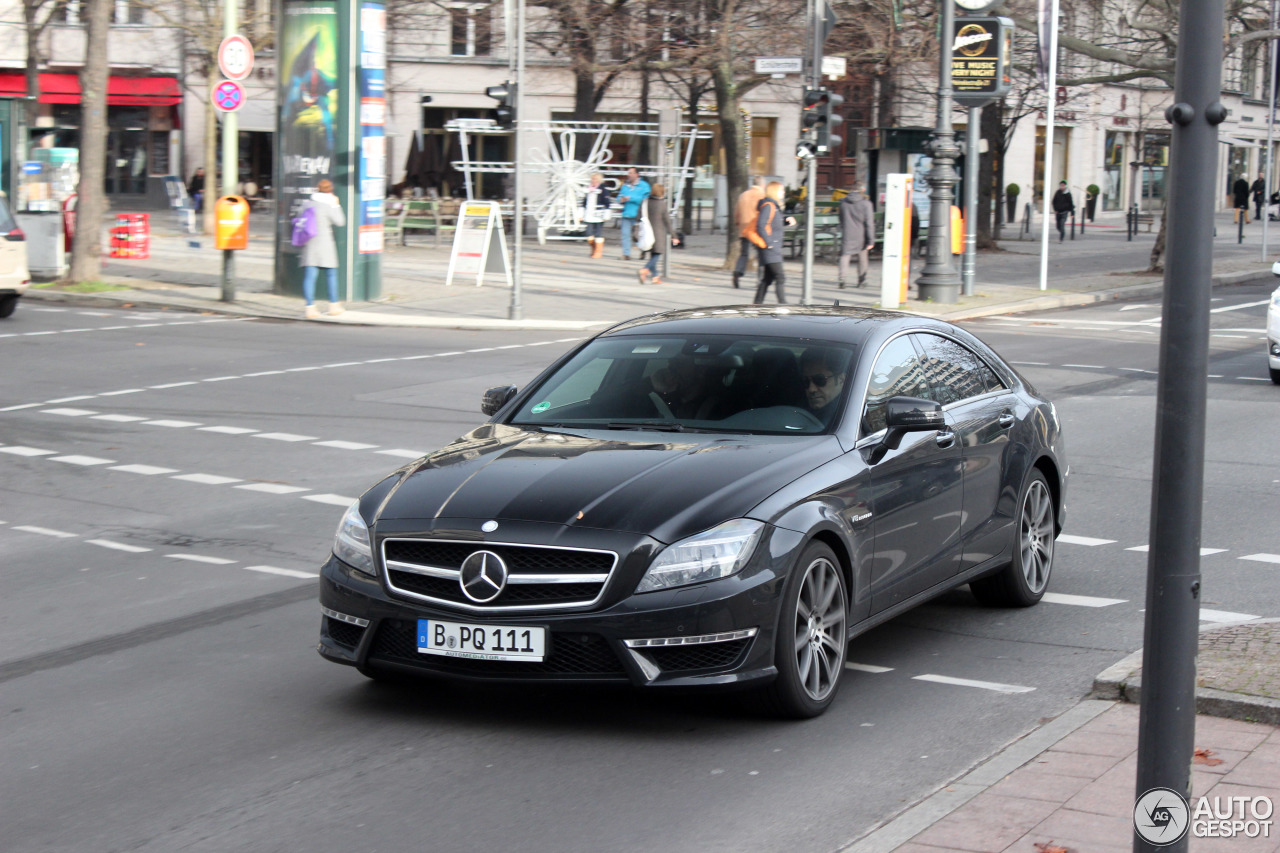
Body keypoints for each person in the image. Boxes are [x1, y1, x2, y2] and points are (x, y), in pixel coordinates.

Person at [299, 178, 346, 319]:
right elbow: (340, 221)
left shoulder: (306, 205)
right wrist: (336, 205)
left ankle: (310, 308)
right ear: (330, 191)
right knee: (331, 275)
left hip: (310, 244)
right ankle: (333, 305)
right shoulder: (328, 205)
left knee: (310, 277)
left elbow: (298, 218)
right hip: (325, 244)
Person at [751, 181, 796, 305]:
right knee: (780, 277)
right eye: (781, 190)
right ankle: (783, 305)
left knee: (767, 279)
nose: (784, 193)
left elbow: (773, 223)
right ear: (775, 191)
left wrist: (786, 221)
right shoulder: (769, 206)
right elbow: (761, 225)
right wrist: (769, 242)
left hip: (772, 247)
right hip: (770, 249)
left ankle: (757, 305)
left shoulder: (774, 206)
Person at [837, 182, 875, 288]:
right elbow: (869, 223)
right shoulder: (866, 204)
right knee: (862, 258)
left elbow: (841, 218)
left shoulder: (843, 202)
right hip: (861, 234)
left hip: (847, 232)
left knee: (845, 255)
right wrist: (871, 240)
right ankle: (861, 280)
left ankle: (842, 279)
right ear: (863, 190)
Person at [638, 184, 678, 284]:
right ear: (662, 192)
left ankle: (655, 276)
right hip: (658, 233)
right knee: (657, 253)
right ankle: (645, 269)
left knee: (653, 254)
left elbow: (638, 216)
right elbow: (667, 221)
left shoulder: (645, 202)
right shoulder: (662, 204)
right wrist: (674, 236)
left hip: (646, 232)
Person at [732, 177, 766, 289]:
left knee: (744, 254)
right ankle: (760, 279)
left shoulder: (743, 195)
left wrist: (738, 224)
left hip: (743, 229)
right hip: (756, 229)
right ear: (762, 185)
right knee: (761, 254)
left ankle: (737, 272)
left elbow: (736, 213)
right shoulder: (762, 196)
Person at [799, 347, 847, 422]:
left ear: (841, 380)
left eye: (819, 380)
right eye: (806, 381)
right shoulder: (796, 409)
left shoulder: (850, 415)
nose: (811, 389)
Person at [617, 167, 651, 260]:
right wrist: (621, 199)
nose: (629, 175)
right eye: (628, 173)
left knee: (638, 236)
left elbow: (646, 199)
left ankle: (643, 250)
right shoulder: (625, 186)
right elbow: (619, 197)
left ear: (637, 174)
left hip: (638, 214)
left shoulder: (644, 186)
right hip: (627, 213)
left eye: (631, 173)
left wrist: (630, 198)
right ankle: (626, 254)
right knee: (625, 234)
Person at [580, 173, 612, 259]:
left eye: (595, 179)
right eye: (592, 179)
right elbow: (584, 202)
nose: (593, 181)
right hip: (588, 214)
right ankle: (594, 248)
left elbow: (607, 203)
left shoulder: (603, 189)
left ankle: (598, 252)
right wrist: (581, 214)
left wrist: (606, 214)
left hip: (599, 215)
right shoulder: (587, 190)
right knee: (588, 234)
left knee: (598, 234)